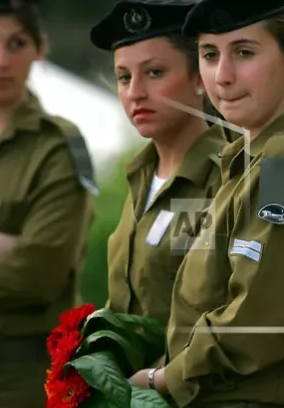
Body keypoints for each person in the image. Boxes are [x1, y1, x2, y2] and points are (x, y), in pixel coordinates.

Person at [129, 0, 284, 408]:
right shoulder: (255, 159)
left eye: (244, 52)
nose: (223, 75)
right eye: (209, 54)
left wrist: (163, 379)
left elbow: (257, 324)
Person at [0, 0, 97, 408]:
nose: (0, 60)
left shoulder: (57, 147)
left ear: (39, 50)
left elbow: (38, 272)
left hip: (15, 382)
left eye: (16, 44)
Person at [91, 0, 230, 334]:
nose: (135, 93)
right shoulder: (141, 176)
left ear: (200, 77)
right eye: (124, 77)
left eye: (154, 73)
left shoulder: (228, 175)